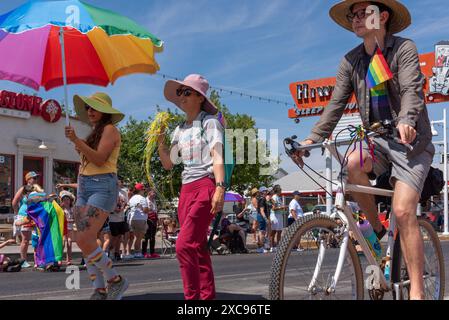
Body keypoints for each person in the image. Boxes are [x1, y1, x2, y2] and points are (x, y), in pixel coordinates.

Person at [293, 1, 433, 300]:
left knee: (403, 209)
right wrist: (311, 139)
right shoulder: (351, 61)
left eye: (362, 13)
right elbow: (336, 104)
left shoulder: (403, 49)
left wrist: (407, 121)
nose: (355, 19)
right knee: (351, 164)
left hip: (411, 143)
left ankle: (418, 292)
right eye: (352, 15)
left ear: (382, 16)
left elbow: (411, 90)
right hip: (378, 141)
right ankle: (378, 235)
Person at [158, 74, 225, 300]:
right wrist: (160, 142)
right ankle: (207, 298)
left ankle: (192, 300)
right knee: (197, 248)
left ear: (199, 97)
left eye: (187, 92)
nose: (182, 97)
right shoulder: (179, 129)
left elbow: (217, 156)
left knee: (183, 246)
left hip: (205, 185)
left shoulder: (209, 122)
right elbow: (169, 164)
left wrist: (220, 187)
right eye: (180, 92)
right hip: (186, 190)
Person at [65, 92, 128, 300]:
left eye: (94, 107)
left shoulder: (110, 129)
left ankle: (115, 281)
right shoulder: (96, 132)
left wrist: (77, 141)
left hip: (102, 186)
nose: (89, 111)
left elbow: (100, 160)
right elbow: (91, 161)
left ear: (105, 111)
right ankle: (99, 289)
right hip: (85, 185)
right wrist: (80, 145)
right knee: (85, 240)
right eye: (88, 108)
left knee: (84, 238)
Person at [12, 172, 39, 268]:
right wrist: (16, 214)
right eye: (34, 178)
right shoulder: (23, 189)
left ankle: (38, 259)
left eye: (36, 178)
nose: (36, 180)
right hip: (24, 215)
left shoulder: (36, 189)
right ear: (28, 179)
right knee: (26, 240)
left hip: (34, 216)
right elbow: (14, 202)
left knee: (36, 238)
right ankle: (23, 261)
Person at [127, 183, 149, 259]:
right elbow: (146, 210)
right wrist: (149, 209)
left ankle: (129, 252)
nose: (144, 191)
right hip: (140, 219)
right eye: (143, 189)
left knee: (133, 237)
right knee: (138, 237)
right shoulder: (142, 198)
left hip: (132, 219)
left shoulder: (132, 198)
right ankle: (137, 252)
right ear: (140, 190)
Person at [109, 183, 129, 262]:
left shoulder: (124, 192)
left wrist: (124, 208)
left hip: (121, 218)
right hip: (112, 219)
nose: (119, 183)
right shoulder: (110, 192)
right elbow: (107, 205)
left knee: (119, 237)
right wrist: (114, 210)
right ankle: (110, 252)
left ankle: (117, 253)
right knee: (113, 237)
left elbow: (126, 203)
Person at [142, 188, 160, 259]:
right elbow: (144, 210)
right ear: (149, 193)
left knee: (153, 237)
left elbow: (155, 211)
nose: (154, 194)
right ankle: (144, 252)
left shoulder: (154, 201)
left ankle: (152, 252)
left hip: (154, 220)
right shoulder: (145, 200)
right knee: (146, 237)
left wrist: (157, 220)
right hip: (147, 220)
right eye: (153, 193)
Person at [269, 185, 287, 252]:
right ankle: (272, 246)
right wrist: (281, 207)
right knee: (274, 231)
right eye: (280, 190)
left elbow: (279, 206)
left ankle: (278, 246)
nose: (281, 192)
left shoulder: (279, 198)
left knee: (279, 231)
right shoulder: (274, 197)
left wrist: (283, 208)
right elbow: (273, 208)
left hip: (279, 215)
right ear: (277, 191)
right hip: (274, 216)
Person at [60, 190, 76, 265]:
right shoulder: (61, 209)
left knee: (69, 243)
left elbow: (75, 218)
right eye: (64, 200)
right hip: (63, 229)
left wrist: (72, 220)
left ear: (70, 201)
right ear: (62, 201)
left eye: (68, 199)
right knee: (62, 243)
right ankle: (59, 259)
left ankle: (68, 259)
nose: (66, 201)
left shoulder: (72, 209)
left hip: (70, 228)